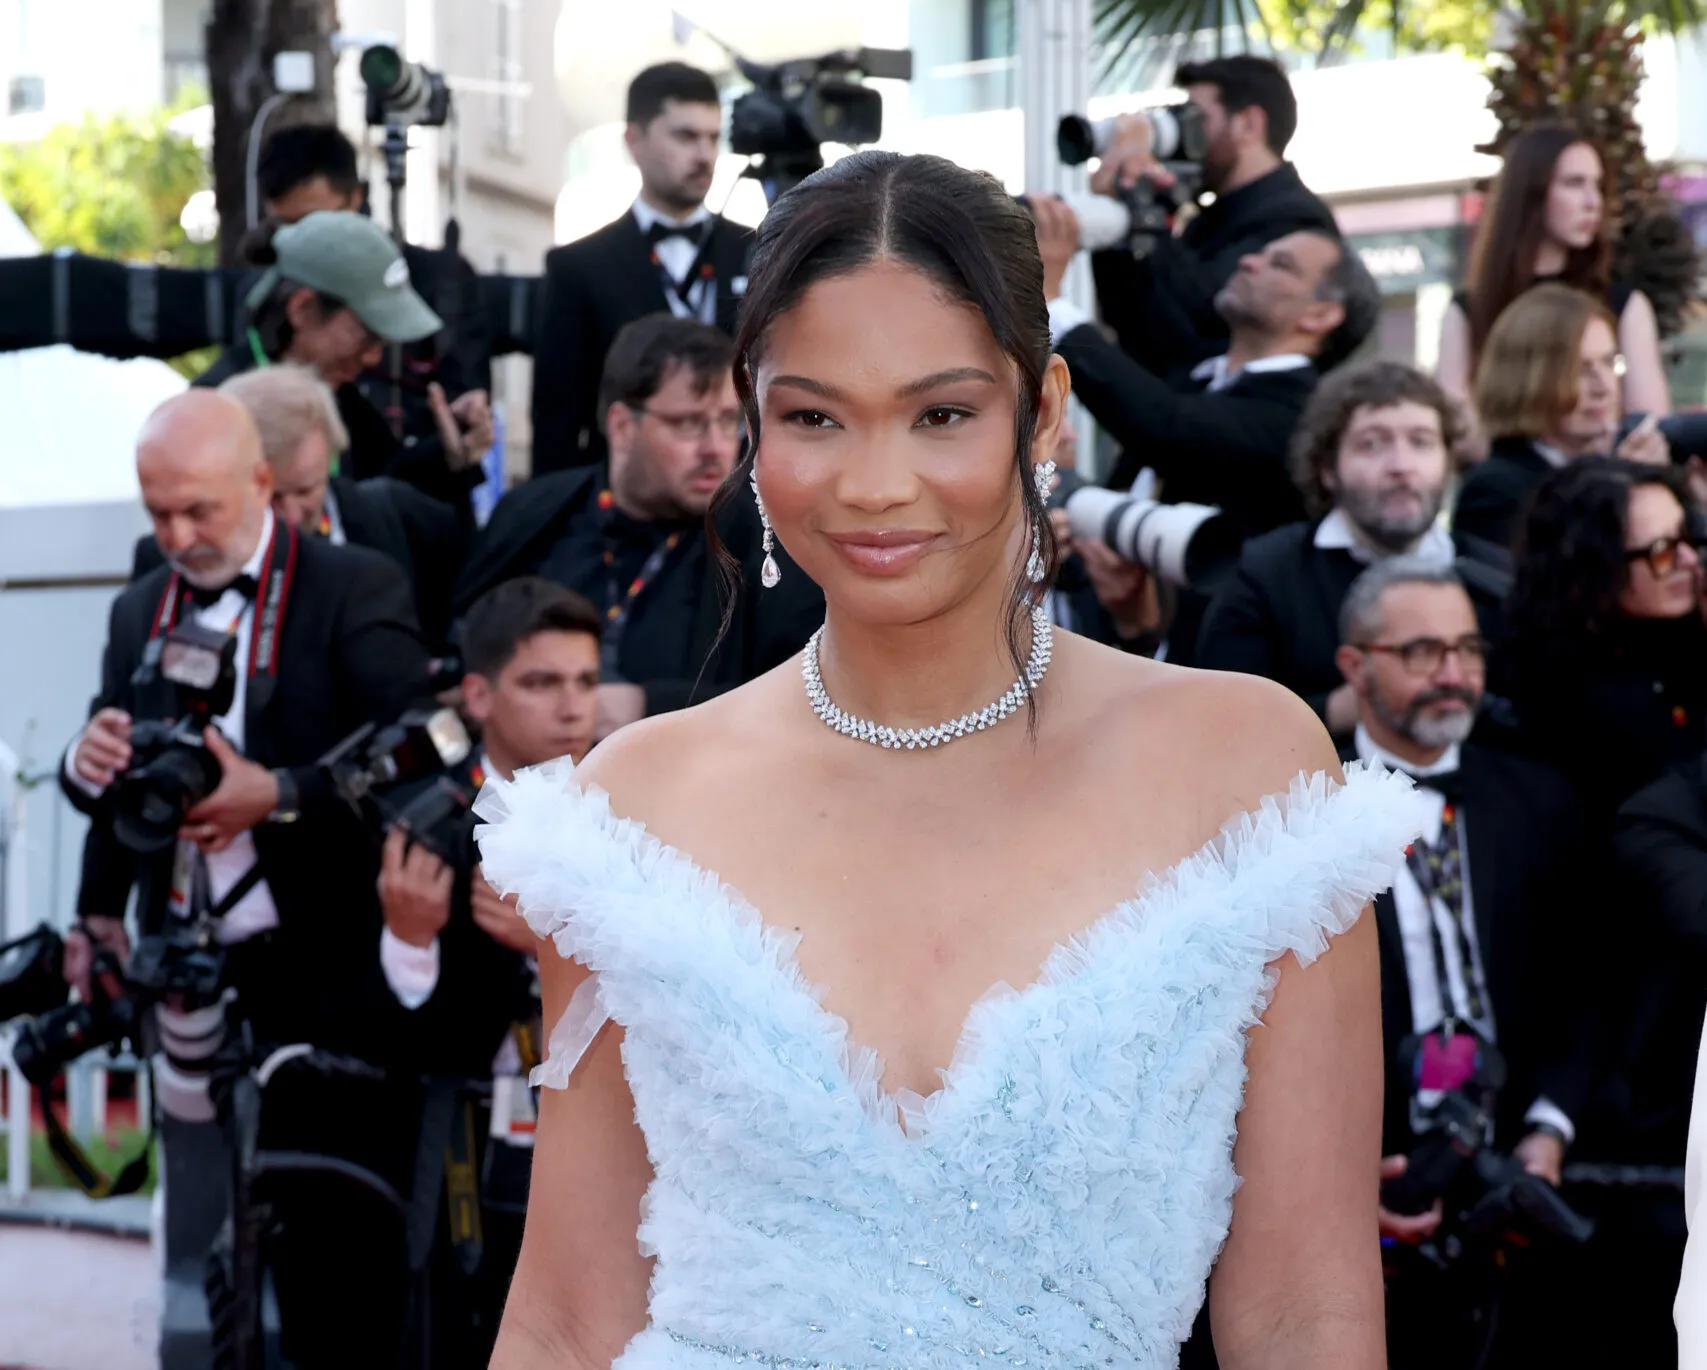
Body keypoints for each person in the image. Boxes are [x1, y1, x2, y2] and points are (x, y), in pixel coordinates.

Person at [473, 149, 1426, 1370]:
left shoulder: (1246, 770)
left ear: (1044, 409)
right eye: (813, 416)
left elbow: (1307, 1314)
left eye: (941, 413)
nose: (876, 486)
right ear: (753, 422)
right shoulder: (631, 804)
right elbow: (564, 1315)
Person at [58, 390, 436, 1366]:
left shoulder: (353, 582)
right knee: (192, 1258)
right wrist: (84, 795)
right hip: (184, 968)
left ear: (263, 483)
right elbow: (121, 776)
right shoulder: (143, 600)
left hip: (324, 972)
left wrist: (281, 791)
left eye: (199, 511)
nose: (175, 535)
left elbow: (424, 751)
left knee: (328, 1261)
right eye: (156, 512)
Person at [1333, 559, 1597, 1368]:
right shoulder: (1301, 807)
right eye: (1421, 651)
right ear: (1354, 664)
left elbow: (1582, 986)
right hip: (1356, 1191)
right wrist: (1343, 1181)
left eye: (1467, 650)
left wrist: (1547, 1133)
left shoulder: (1540, 799)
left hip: (1518, 1182)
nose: (1453, 674)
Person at [374, 575, 603, 1366]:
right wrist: (410, 940)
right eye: (541, 683)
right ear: (477, 694)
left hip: (597, 1149)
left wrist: (559, 952)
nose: (572, 707)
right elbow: (382, 1029)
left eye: (585, 681)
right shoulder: (421, 816)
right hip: (457, 1149)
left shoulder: (626, 808)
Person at [456, 313, 822, 739]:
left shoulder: (766, 544)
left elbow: (807, 701)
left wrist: (649, 706)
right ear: (622, 426)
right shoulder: (535, 514)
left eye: (728, 422)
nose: (716, 448)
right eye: (687, 423)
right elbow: (464, 646)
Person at [1033, 193, 1378, 520]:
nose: (1249, 261)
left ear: (1321, 316)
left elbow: (1165, 428)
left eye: (1281, 265)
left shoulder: (1299, 414)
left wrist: (1050, 300)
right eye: (1261, 252)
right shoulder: (1200, 371)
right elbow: (1133, 315)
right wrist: (1121, 204)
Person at [1197, 362, 1460, 735]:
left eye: (1421, 442)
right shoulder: (1266, 575)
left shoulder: (1489, 578)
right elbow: (1221, 723)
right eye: (1372, 444)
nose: (1401, 466)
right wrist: (1334, 711)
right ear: (1327, 469)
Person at [129, 365, 466, 650]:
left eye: (306, 490)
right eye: (273, 496)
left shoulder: (402, 518)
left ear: (332, 460)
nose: (291, 514)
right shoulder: (170, 560)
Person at [196, 210, 495, 523]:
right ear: (303, 309)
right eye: (365, 336)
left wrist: (447, 457)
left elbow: (388, 500)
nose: (373, 358)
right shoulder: (215, 414)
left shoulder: (344, 403)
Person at [532, 63, 753, 474]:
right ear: (634, 140)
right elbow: (556, 423)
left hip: (743, 505)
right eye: (686, 136)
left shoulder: (759, 253)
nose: (705, 155)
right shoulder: (579, 267)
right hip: (621, 508)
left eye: (713, 138)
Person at [1083, 55, 1339, 376]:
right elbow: (1138, 325)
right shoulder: (1210, 217)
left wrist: (1145, 215)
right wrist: (1120, 208)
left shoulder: (1294, 218)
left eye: (1197, 119)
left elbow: (1204, 311)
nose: (1186, 135)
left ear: (1248, 124)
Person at [253, 122, 495, 451]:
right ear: (299, 309)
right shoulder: (260, 308)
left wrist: (449, 444)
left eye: (318, 221)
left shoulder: (441, 280)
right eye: (287, 226)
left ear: (356, 198)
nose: (370, 357)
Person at [1437, 124, 1670, 453]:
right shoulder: (1470, 309)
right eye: (1574, 184)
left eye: (1598, 186)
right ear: (1531, 191)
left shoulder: (1624, 304)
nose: (1593, 202)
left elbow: (1650, 427)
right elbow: (1454, 431)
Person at [1504, 458, 1706, 828]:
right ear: (1598, 568)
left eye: (1687, 535)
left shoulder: (1679, 637)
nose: (1690, 560)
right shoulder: (1568, 692)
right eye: (1662, 551)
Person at [1454, 283, 1669, 558]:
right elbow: (1551, 588)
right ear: (1528, 380)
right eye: (1580, 370)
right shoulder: (1492, 490)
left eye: (1609, 362)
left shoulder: (1601, 462)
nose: (1603, 387)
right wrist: (1622, 489)